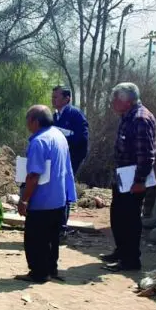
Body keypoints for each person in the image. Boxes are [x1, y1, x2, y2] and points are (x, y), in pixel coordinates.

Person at [14, 105, 76, 283]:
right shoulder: (59, 136)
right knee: (52, 238)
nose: (27, 124)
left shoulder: (39, 141)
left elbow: (34, 175)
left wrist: (24, 200)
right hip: (59, 198)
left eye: (28, 120)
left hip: (42, 200)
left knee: (35, 239)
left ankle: (39, 273)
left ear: (35, 121)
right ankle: (51, 269)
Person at [100, 83, 156, 272]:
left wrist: (139, 181)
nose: (112, 103)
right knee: (118, 215)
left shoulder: (140, 119)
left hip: (134, 180)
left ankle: (131, 260)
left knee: (130, 219)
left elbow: (146, 155)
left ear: (127, 101)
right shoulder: (127, 116)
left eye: (116, 99)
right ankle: (121, 252)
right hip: (123, 177)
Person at [51, 86, 89, 239]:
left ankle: (61, 229)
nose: (53, 100)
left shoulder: (75, 115)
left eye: (56, 97)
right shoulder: (55, 116)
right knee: (55, 189)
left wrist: (64, 137)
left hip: (71, 158)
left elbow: (82, 139)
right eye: (52, 97)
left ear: (67, 98)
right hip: (56, 159)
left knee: (64, 190)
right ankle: (53, 226)